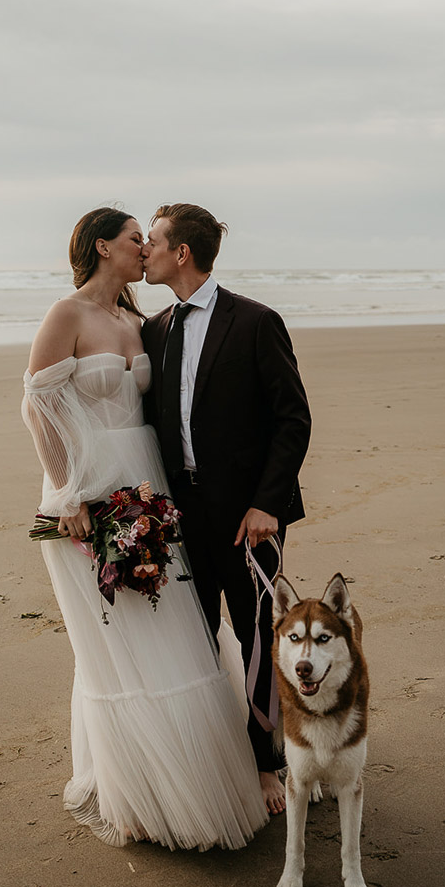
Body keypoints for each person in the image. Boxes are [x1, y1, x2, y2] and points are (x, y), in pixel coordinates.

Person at [21, 207, 267, 850]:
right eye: (137, 240)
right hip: (87, 493)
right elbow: (37, 407)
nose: (145, 249)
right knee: (116, 645)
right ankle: (137, 794)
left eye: (150, 241)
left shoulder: (143, 321)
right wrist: (70, 494)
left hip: (151, 490)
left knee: (172, 629)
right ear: (103, 246)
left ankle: (196, 777)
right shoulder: (66, 314)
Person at [141, 203, 312, 815]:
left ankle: (270, 762)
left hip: (247, 519)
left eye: (153, 241)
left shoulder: (256, 322)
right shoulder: (154, 330)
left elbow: (293, 421)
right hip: (179, 517)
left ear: (180, 253)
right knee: (192, 636)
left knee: (257, 637)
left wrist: (268, 504)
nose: (146, 252)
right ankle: (218, 752)